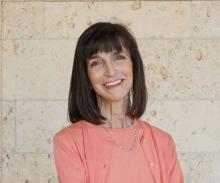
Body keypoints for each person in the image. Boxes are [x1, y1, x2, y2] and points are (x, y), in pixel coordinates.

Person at [53, 22, 184, 183]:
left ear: (134, 66)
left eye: (118, 58)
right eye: (97, 63)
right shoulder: (69, 142)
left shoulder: (163, 142)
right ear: (86, 78)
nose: (110, 71)